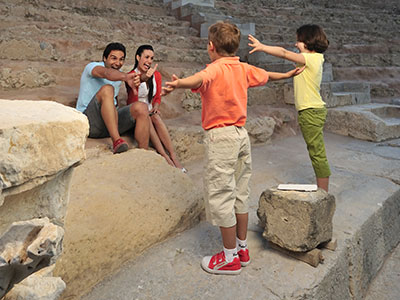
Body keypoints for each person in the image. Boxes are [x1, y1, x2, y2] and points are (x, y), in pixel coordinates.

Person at [162, 21, 303, 275]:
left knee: (221, 194)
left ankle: (229, 258)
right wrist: (286, 75)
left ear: (211, 47)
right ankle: (242, 248)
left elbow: (200, 78)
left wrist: (180, 83)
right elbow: (266, 75)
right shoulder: (243, 68)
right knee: (240, 191)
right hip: (241, 136)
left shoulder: (214, 69)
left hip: (221, 138)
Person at [248, 24, 331, 192]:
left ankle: (324, 193)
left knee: (317, 152)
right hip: (311, 110)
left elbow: (284, 53)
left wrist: (262, 47)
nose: (296, 44)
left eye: (299, 41)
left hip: (311, 111)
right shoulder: (310, 60)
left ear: (309, 41)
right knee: (315, 150)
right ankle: (323, 190)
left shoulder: (312, 59)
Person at [76, 42, 150, 154]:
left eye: (121, 59)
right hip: (89, 122)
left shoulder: (118, 75)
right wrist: (125, 77)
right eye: (113, 58)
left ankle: (143, 153)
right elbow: (106, 73)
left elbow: (113, 103)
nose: (117, 63)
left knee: (142, 107)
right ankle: (117, 141)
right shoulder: (92, 67)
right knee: (107, 89)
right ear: (104, 58)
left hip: (108, 125)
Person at [126, 44, 185, 171]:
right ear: (138, 57)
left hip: (149, 110)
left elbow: (157, 97)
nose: (149, 61)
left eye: (151, 58)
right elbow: (132, 100)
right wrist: (144, 78)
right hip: (137, 112)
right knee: (147, 117)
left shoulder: (156, 75)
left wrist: (156, 107)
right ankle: (164, 156)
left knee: (156, 117)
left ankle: (173, 156)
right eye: (146, 57)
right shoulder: (131, 76)